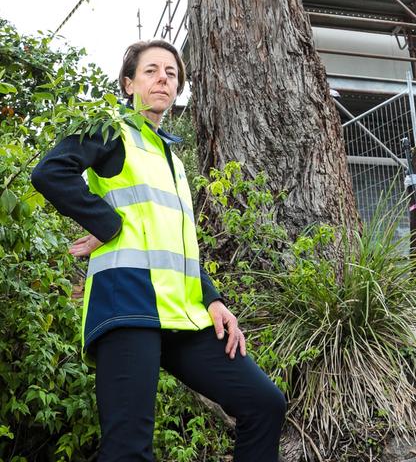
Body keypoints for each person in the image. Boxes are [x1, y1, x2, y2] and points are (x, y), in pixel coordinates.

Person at [31, 38, 286, 462]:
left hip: (182, 316)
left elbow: (177, 243)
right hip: (128, 305)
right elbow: (51, 172)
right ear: (129, 84)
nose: (162, 79)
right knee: (129, 448)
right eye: (150, 71)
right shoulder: (111, 128)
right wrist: (108, 224)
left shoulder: (171, 158)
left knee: (264, 404)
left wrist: (213, 299)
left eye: (170, 73)